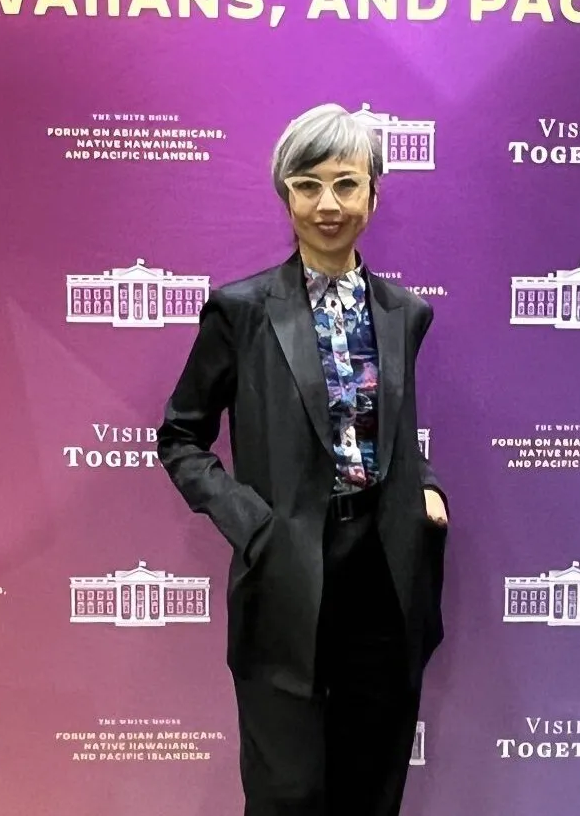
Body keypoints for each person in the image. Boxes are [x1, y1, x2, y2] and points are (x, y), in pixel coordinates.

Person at [156, 102, 450, 816]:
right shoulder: (242, 310)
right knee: (287, 788)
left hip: (384, 565)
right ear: (285, 194)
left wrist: (428, 487)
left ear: (374, 195)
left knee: (372, 782)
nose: (328, 203)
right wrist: (253, 524)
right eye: (308, 184)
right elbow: (180, 436)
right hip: (286, 567)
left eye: (347, 184)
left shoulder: (404, 311)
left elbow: (390, 425)